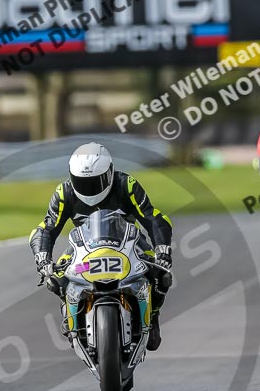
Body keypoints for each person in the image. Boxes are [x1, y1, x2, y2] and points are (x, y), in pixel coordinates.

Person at [29, 142, 173, 351]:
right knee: (57, 276)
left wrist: (162, 250)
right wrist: (43, 258)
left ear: (110, 173)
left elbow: (153, 218)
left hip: (130, 243)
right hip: (82, 248)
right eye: (82, 182)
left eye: (96, 182)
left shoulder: (127, 185)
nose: (90, 189)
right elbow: (46, 228)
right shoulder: (64, 192)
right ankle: (71, 318)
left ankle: (152, 314)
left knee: (161, 274)